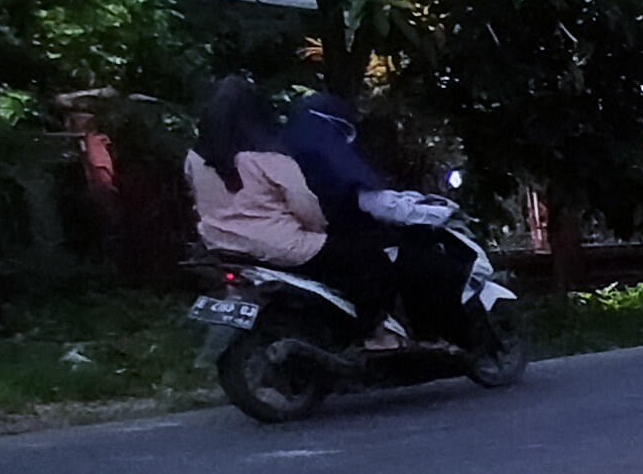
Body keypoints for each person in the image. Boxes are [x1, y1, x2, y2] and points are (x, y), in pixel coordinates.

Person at [186, 77, 406, 353]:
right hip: (281, 247)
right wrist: (319, 230)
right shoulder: (271, 157)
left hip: (222, 247)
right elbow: (305, 207)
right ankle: (374, 334)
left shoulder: (196, 158)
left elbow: (197, 199)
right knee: (372, 261)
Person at [281, 91, 474, 345]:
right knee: (411, 260)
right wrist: (434, 211)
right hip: (333, 235)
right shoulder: (331, 156)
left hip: (295, 238)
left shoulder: (281, 153)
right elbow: (376, 203)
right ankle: (384, 333)